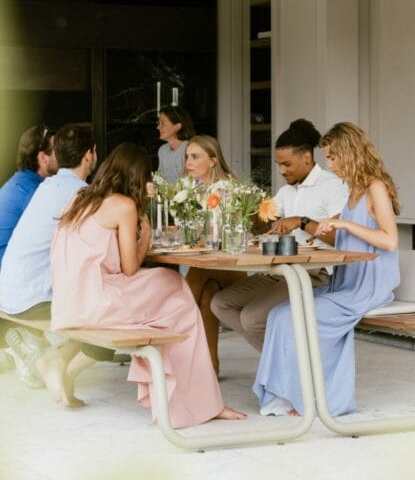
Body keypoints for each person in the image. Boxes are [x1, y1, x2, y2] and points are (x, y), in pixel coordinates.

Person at [50, 142, 246, 425]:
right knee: (177, 289)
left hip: (70, 302)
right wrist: (145, 228)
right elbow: (130, 267)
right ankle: (199, 403)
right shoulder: (124, 205)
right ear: (137, 176)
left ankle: (181, 397)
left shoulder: (80, 198)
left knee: (173, 302)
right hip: (99, 302)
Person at [253, 122, 400, 417]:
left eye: (333, 157)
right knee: (279, 314)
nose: (329, 164)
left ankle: (312, 397)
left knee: (299, 317)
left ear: (349, 153)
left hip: (369, 286)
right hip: (345, 281)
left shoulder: (375, 187)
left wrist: (345, 224)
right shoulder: (352, 190)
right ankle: (286, 394)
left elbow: (390, 240)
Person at [211, 118, 347, 353]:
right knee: (221, 303)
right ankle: (282, 363)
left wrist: (301, 221)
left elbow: (340, 236)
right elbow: (262, 221)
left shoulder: (332, 185)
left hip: (315, 273)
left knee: (252, 319)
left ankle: (290, 366)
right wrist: (241, 206)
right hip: (279, 270)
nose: (282, 171)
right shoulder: (286, 192)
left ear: (307, 158)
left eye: (287, 164)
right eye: (278, 165)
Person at [0, 122, 105, 399]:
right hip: (31, 300)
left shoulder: (47, 186)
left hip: (9, 292)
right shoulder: (81, 194)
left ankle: (49, 357)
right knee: (111, 310)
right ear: (89, 155)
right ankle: (57, 361)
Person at [180, 134, 235, 373]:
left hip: (231, 264)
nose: (188, 163)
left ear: (213, 161)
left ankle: (172, 335)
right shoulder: (192, 189)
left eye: (195, 157)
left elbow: (221, 234)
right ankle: (211, 365)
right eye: (187, 157)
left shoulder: (226, 189)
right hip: (210, 265)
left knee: (197, 277)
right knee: (208, 292)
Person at [0, 124, 58, 267]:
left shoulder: (22, 181)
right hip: (9, 272)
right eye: (57, 150)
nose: (62, 155)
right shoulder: (32, 190)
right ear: (43, 157)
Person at [156, 105, 195, 183]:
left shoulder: (189, 148)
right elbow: (160, 180)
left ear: (177, 126)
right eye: (159, 123)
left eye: (163, 123)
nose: (158, 127)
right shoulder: (162, 150)